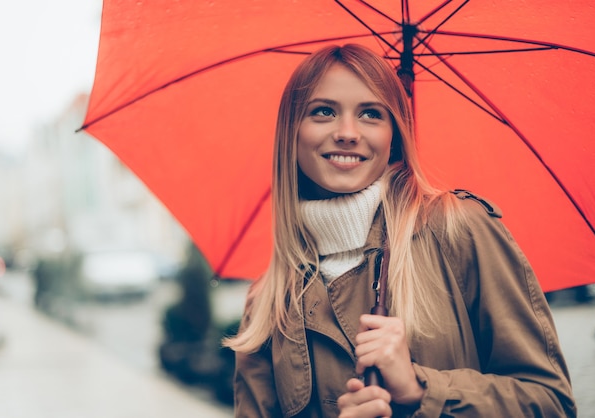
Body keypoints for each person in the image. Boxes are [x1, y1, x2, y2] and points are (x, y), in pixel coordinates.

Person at [224, 44, 576, 417]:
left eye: (371, 114)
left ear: (394, 133)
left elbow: (550, 403)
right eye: (323, 111)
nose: (347, 133)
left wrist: (419, 389)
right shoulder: (268, 302)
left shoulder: (459, 230)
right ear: (291, 132)